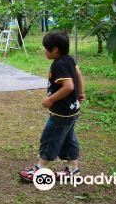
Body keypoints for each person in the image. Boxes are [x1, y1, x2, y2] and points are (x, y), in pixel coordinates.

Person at [19, 31, 85, 182]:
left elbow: (68, 87)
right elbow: (78, 73)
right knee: (69, 138)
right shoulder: (68, 60)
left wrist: (50, 100)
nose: (45, 51)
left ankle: (39, 170)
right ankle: (73, 170)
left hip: (61, 113)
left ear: (55, 50)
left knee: (50, 138)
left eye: (46, 48)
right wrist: (81, 92)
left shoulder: (59, 65)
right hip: (72, 111)